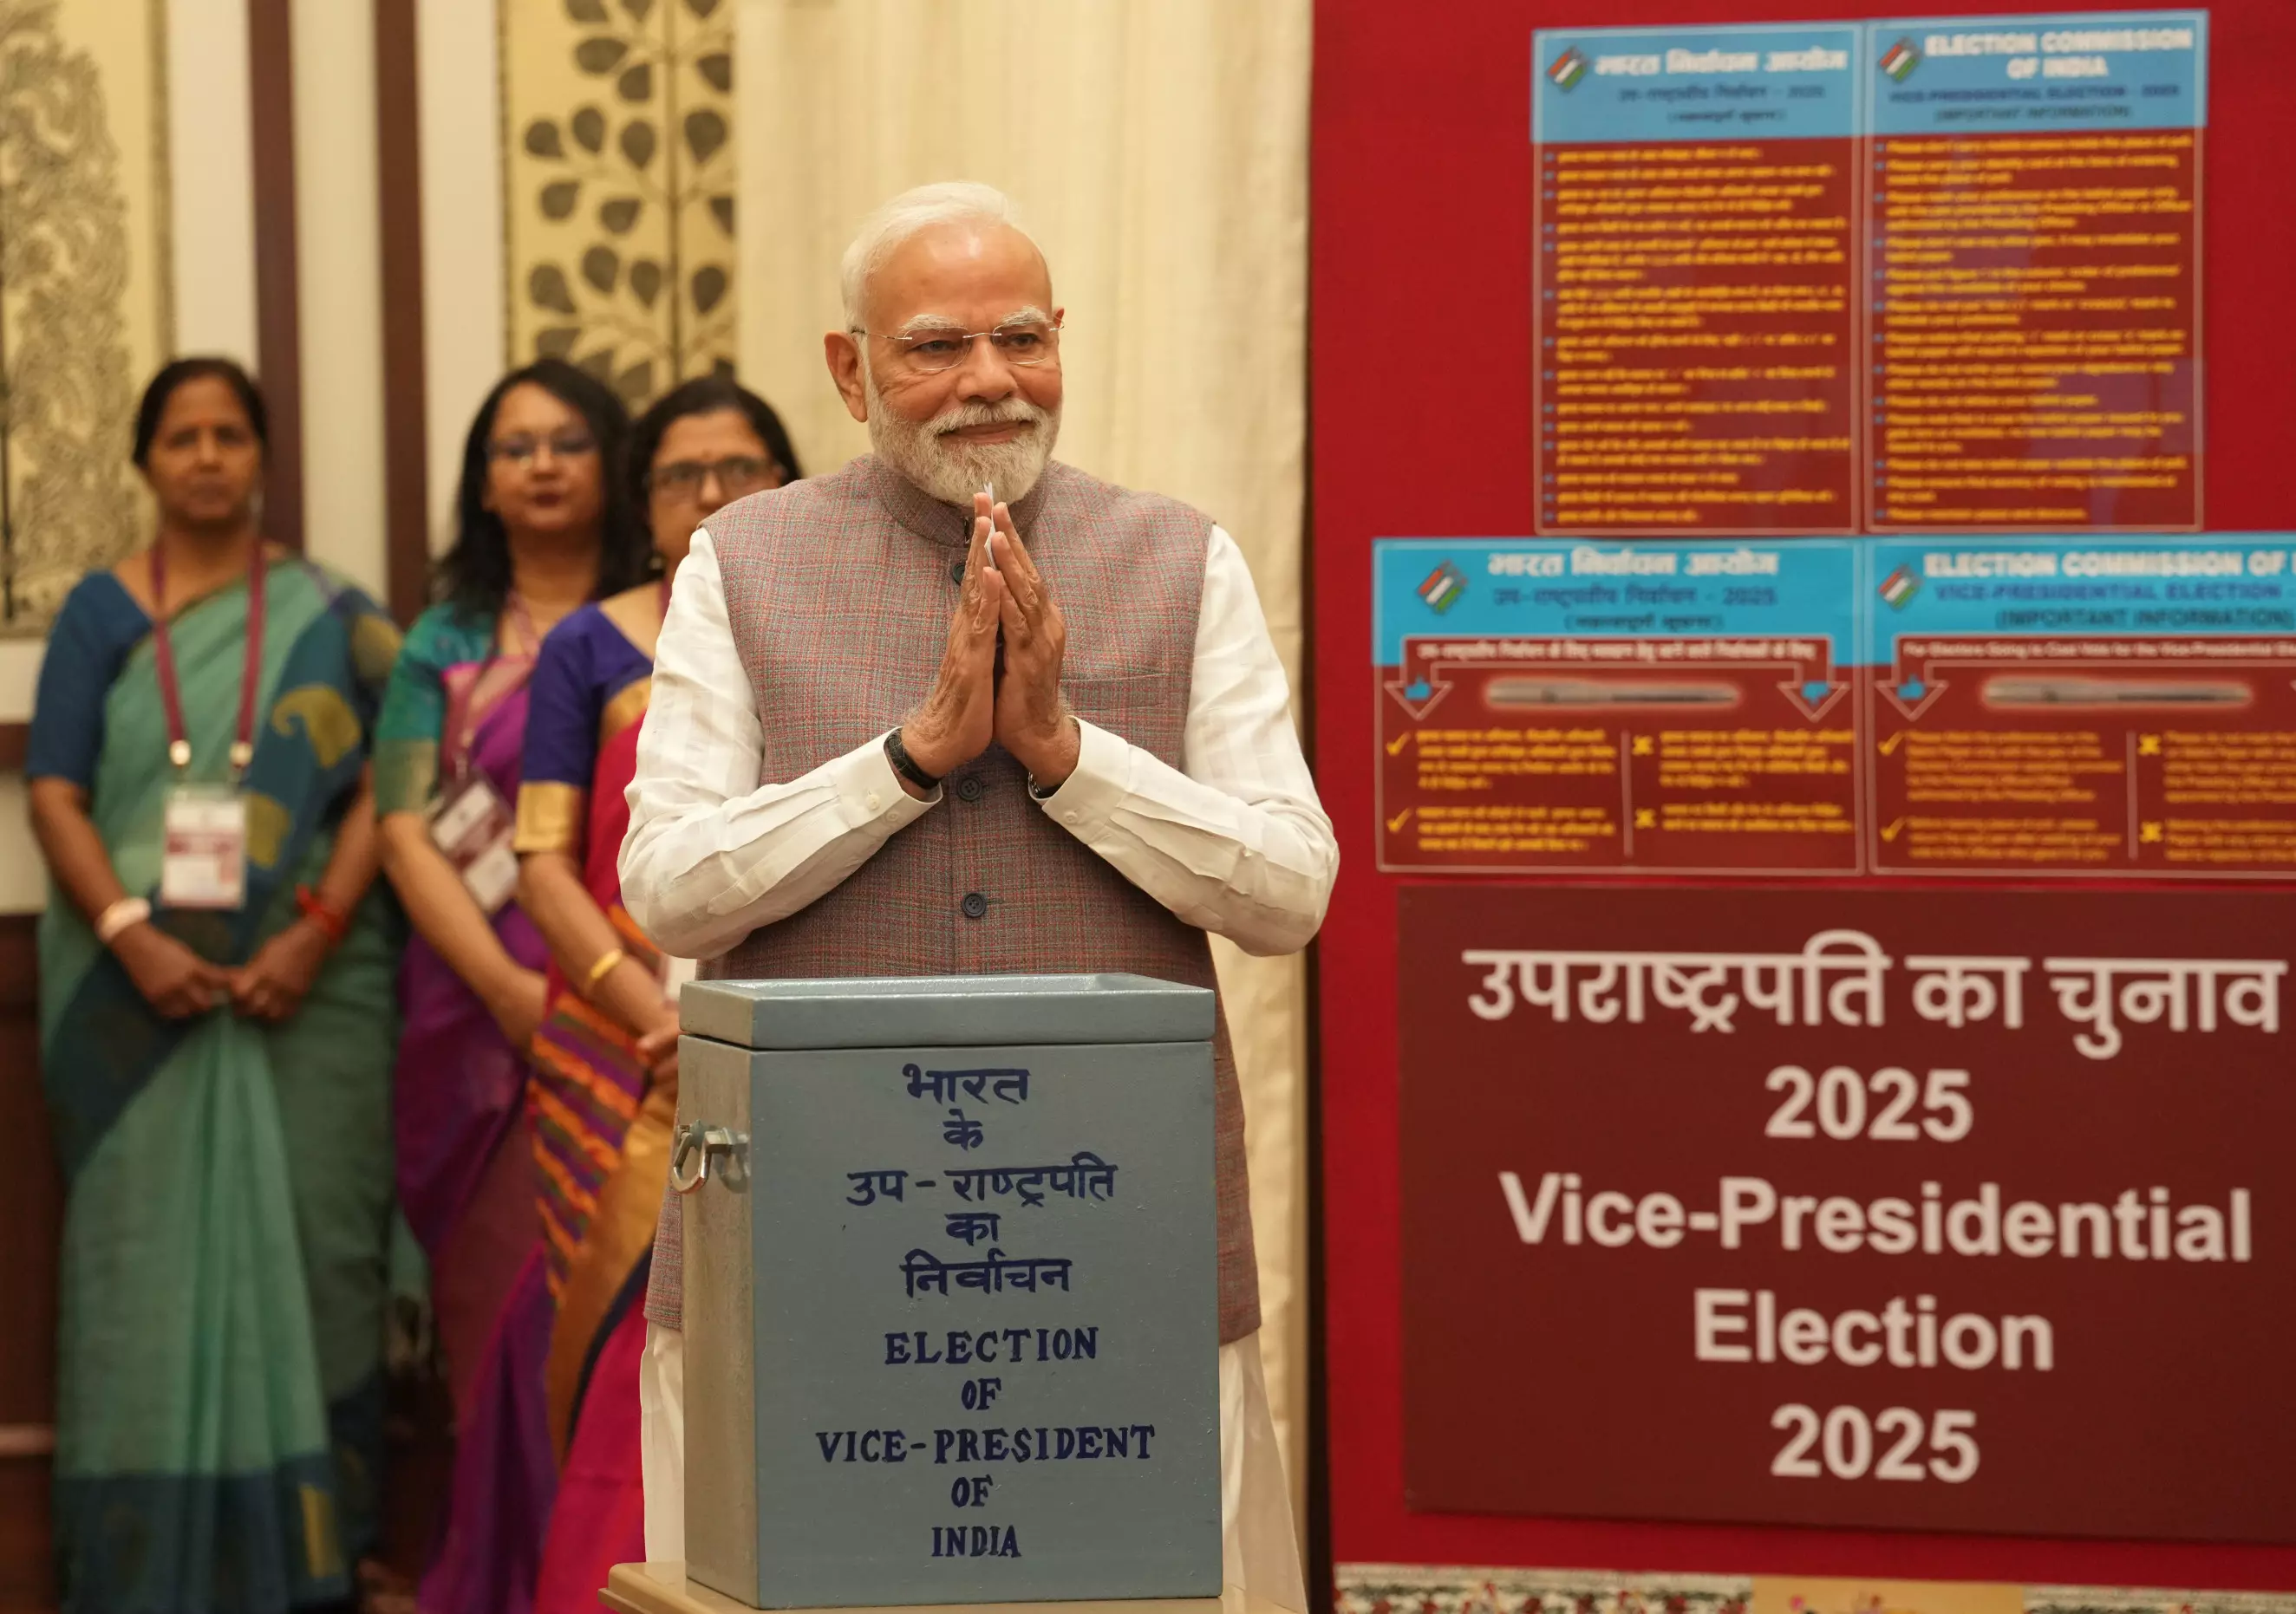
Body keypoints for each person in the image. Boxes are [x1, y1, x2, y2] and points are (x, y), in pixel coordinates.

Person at [619, 182, 1338, 1602]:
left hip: (1118, 1253)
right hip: (813, 1250)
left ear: (1063, 338)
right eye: (935, 346)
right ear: (849, 369)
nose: (989, 382)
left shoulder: (1180, 557)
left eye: (1020, 337)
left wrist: (1071, 757)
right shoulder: (741, 564)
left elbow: (1289, 891)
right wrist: (907, 762)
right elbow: (672, 891)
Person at [29, 357, 405, 1612]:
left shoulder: (334, 615)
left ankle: (321, 1553)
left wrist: (312, 927)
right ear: (144, 463)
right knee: (141, 1270)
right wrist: (131, 931)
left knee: (315, 1249)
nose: (204, 456)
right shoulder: (98, 614)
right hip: (128, 995)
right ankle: (146, 1571)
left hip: (308, 988)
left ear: (259, 457)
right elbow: (54, 793)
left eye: (228, 434)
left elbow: (389, 791)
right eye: (180, 436)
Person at [519, 378, 800, 1613]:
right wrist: (653, 1009)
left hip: (794, 1040)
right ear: (644, 505)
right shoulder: (587, 646)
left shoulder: (825, 625)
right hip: (625, 1057)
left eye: (740, 468)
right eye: (682, 475)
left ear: (789, 484)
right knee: (622, 1354)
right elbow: (541, 859)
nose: (711, 495)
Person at [373, 358, 649, 1614]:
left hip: (642, 1018)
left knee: (618, 1327)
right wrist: (508, 995)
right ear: (481, 484)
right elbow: (401, 827)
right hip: (478, 1026)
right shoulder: (442, 643)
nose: (539, 465)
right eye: (512, 446)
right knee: (499, 1327)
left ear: (613, 466)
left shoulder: (654, 625)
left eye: (567, 442)